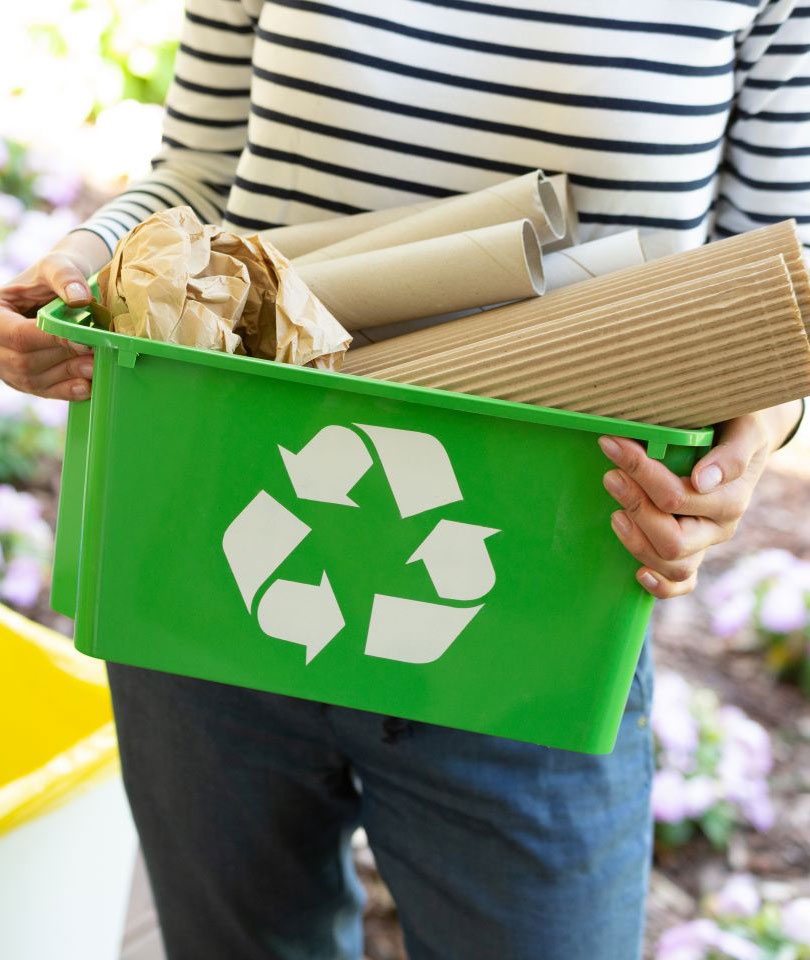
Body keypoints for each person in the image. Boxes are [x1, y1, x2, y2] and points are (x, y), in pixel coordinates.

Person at [1, 3, 808, 957]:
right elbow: (198, 172)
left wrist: (741, 453)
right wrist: (78, 268)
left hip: (543, 601)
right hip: (220, 549)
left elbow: (774, 285)